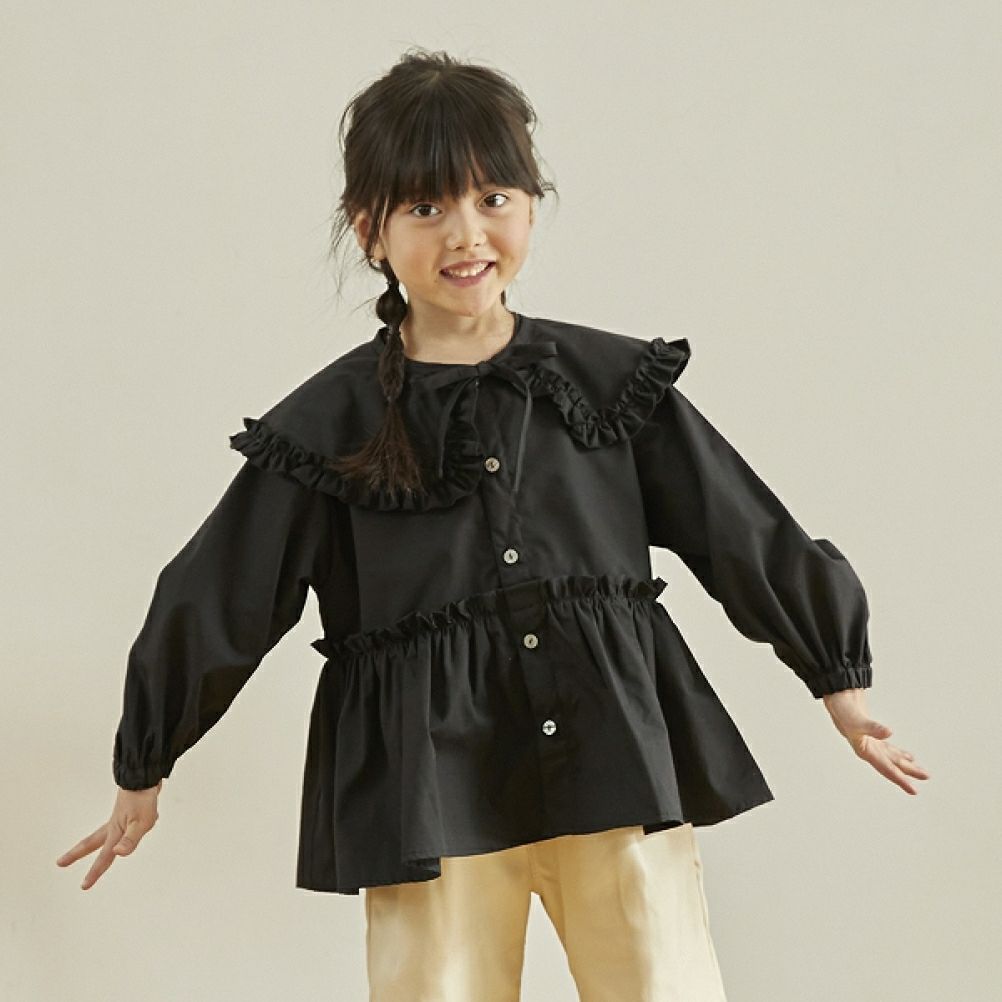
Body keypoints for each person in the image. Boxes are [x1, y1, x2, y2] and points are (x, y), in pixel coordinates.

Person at [57, 47, 929, 1001]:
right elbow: (221, 591)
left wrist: (839, 679)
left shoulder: (610, 385)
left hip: (613, 754)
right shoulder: (330, 428)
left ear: (531, 205)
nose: (466, 234)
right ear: (370, 229)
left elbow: (741, 527)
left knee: (661, 981)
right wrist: (146, 762)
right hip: (433, 786)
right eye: (427, 208)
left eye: (493, 198)